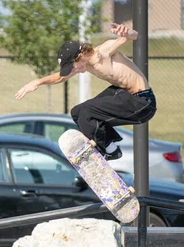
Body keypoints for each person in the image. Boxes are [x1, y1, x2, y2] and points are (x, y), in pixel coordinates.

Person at [15, 23, 156, 161]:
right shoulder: (85, 65)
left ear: (81, 55)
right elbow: (61, 77)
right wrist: (38, 82)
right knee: (77, 112)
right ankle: (110, 148)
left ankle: (107, 151)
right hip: (125, 95)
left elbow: (134, 36)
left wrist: (126, 32)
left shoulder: (103, 52)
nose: (74, 71)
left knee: (88, 111)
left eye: (73, 67)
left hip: (142, 102)